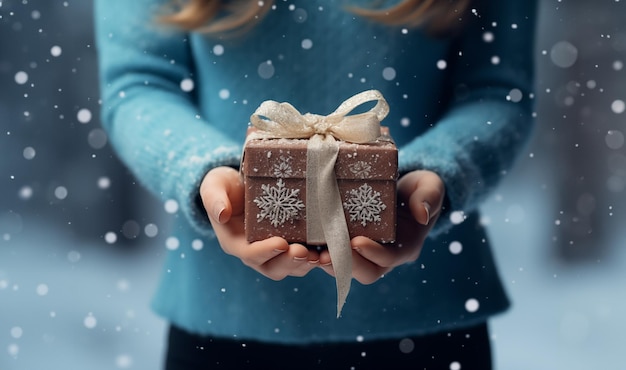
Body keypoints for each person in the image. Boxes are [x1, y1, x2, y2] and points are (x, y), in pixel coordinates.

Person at [94, 0, 537, 369]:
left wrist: (440, 170)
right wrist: (208, 171)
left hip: (432, 322)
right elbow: (138, 83)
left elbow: (497, 92)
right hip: (224, 322)